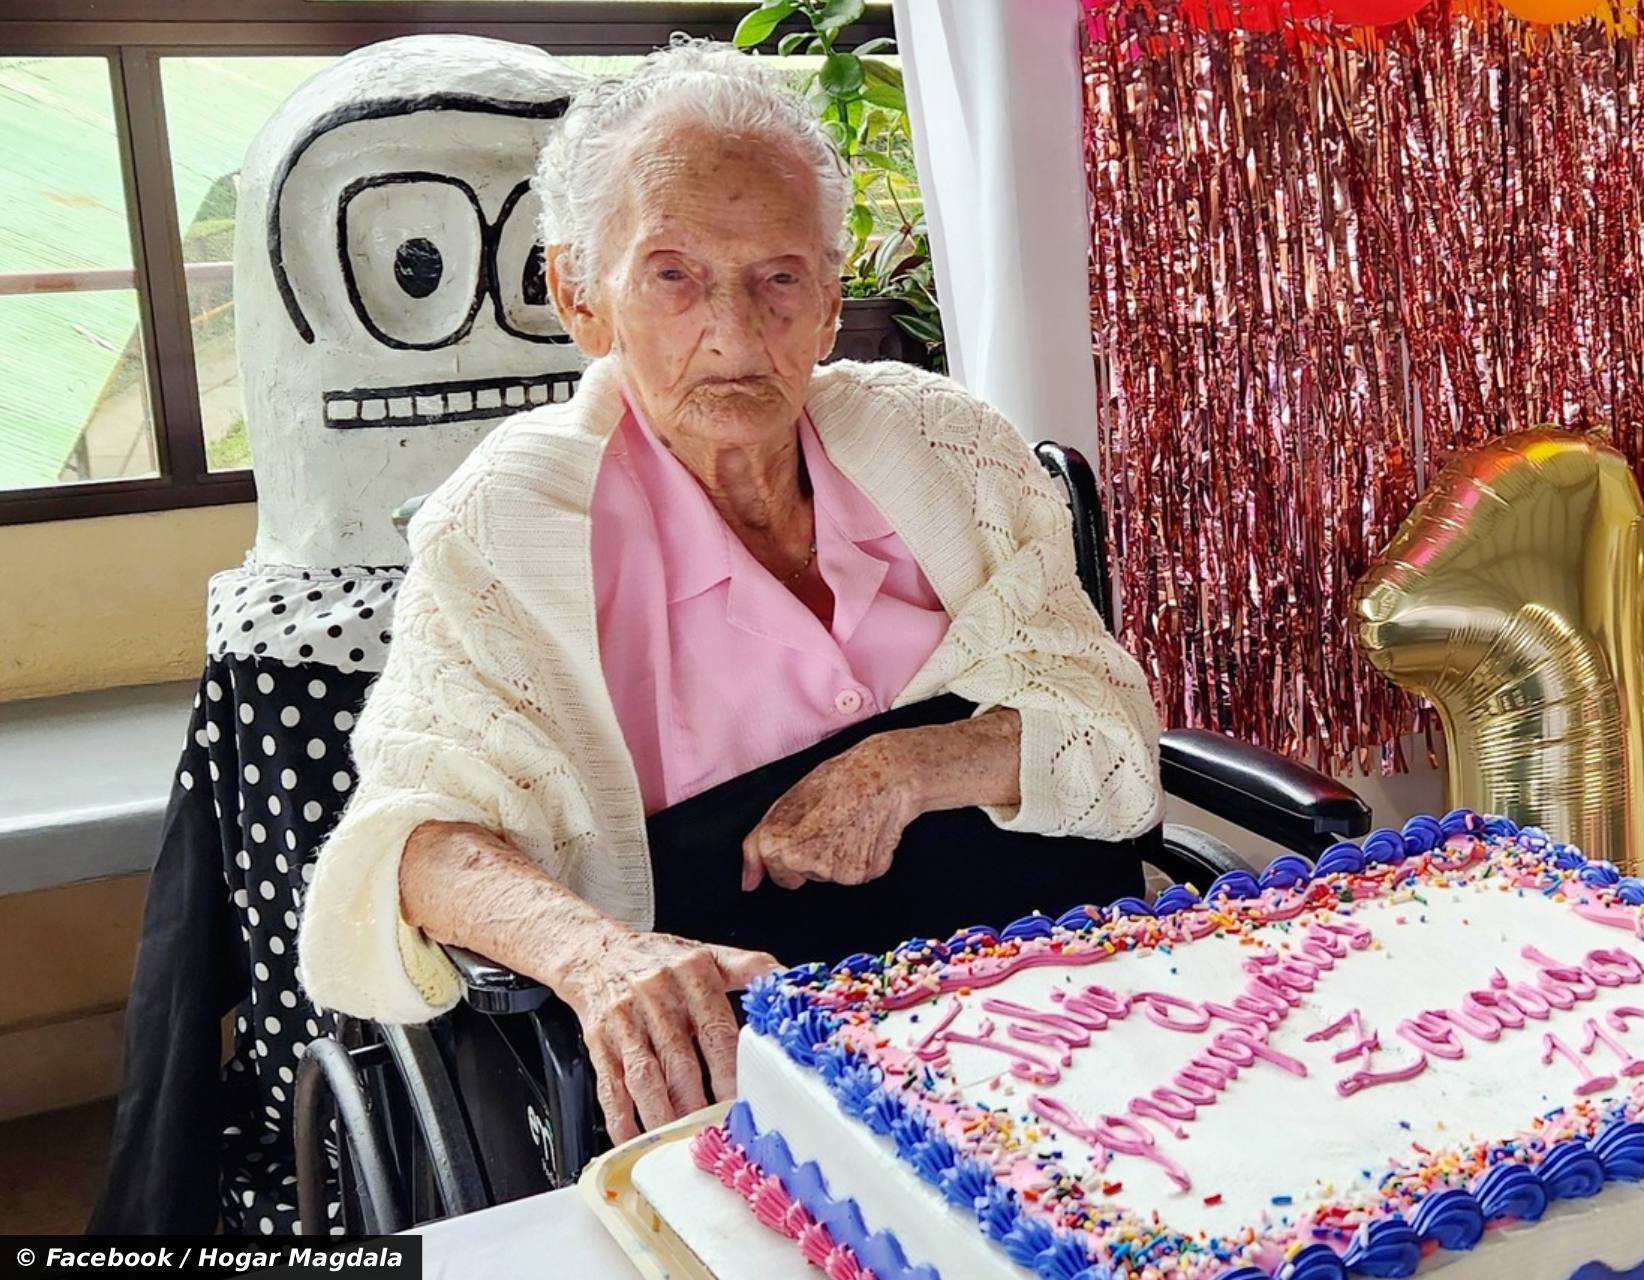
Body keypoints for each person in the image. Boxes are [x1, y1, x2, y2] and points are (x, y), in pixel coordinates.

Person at [298, 40, 1163, 1142]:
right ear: (580, 294)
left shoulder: (949, 448)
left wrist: (914, 764)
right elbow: (419, 838)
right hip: (771, 1085)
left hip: (1080, 1015)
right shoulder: (506, 528)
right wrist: (599, 955)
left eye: (779, 277)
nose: (737, 333)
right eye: (674, 274)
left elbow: (1111, 725)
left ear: (829, 293)